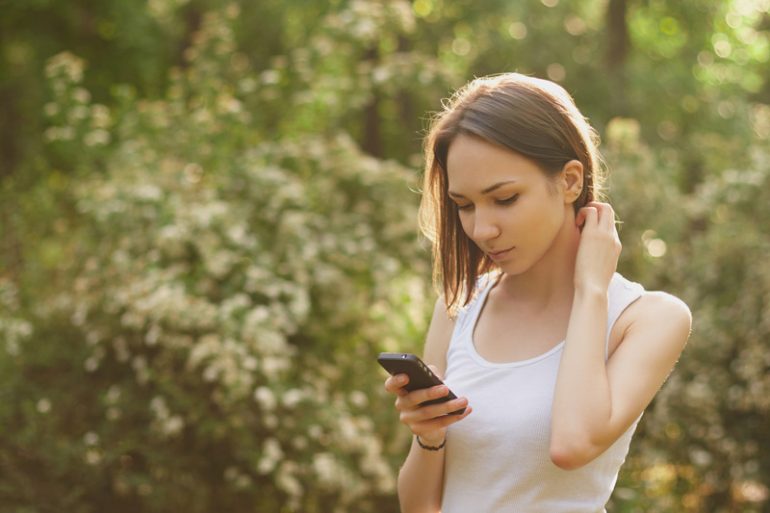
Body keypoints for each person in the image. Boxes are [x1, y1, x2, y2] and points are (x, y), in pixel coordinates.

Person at [383, 73, 692, 513]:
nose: (482, 229)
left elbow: (572, 444)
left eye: (505, 199)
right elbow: (419, 508)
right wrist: (428, 437)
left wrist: (590, 289)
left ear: (569, 181)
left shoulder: (647, 319)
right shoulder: (461, 308)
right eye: (465, 205)